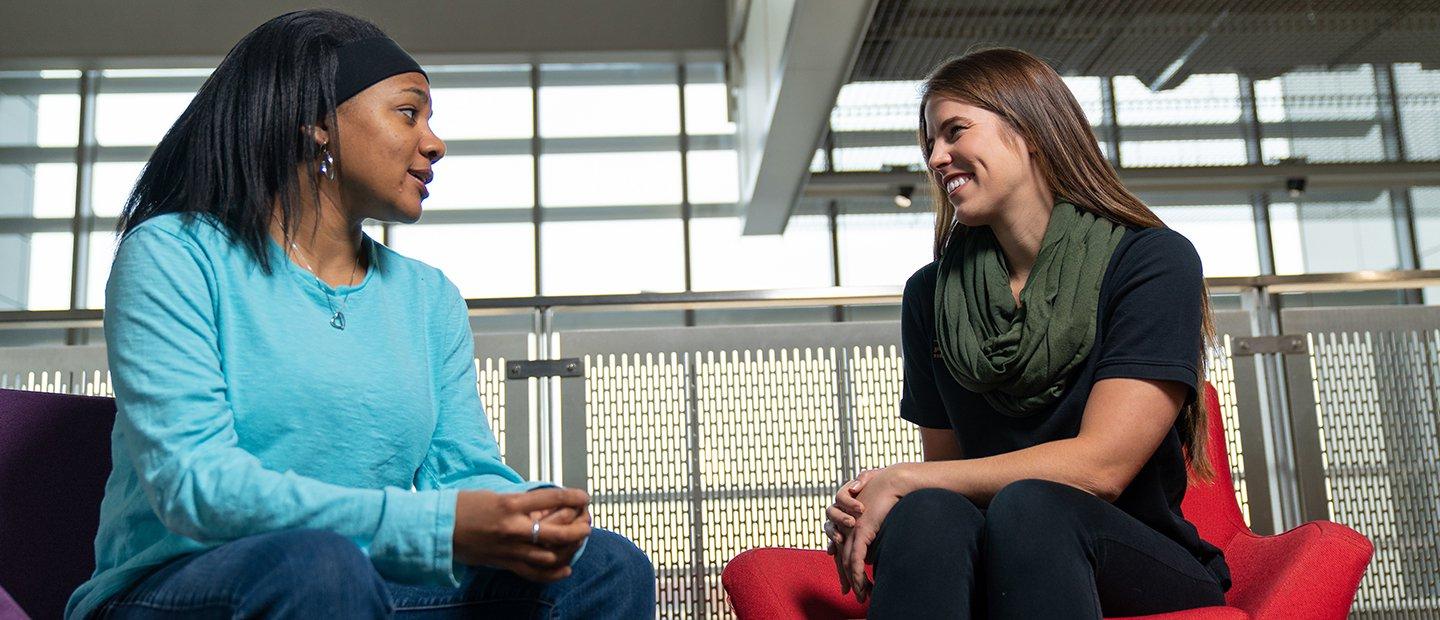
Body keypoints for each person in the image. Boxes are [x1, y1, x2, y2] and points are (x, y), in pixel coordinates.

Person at [67, 10, 654, 619]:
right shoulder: (174, 254)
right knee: (317, 567)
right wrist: (435, 527)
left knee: (605, 567)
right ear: (319, 123)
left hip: (359, 586)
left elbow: (460, 470)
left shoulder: (428, 297)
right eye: (409, 112)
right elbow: (196, 486)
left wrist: (531, 513)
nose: (435, 143)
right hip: (178, 588)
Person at [822, 48, 1231, 618]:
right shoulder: (930, 296)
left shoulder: (1152, 262)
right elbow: (947, 477)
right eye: (929, 145)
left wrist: (905, 477)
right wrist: (887, 496)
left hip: (1131, 551)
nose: (937, 158)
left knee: (1033, 506)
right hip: (997, 554)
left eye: (954, 132)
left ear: (1031, 129)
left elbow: (1102, 469)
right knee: (927, 512)